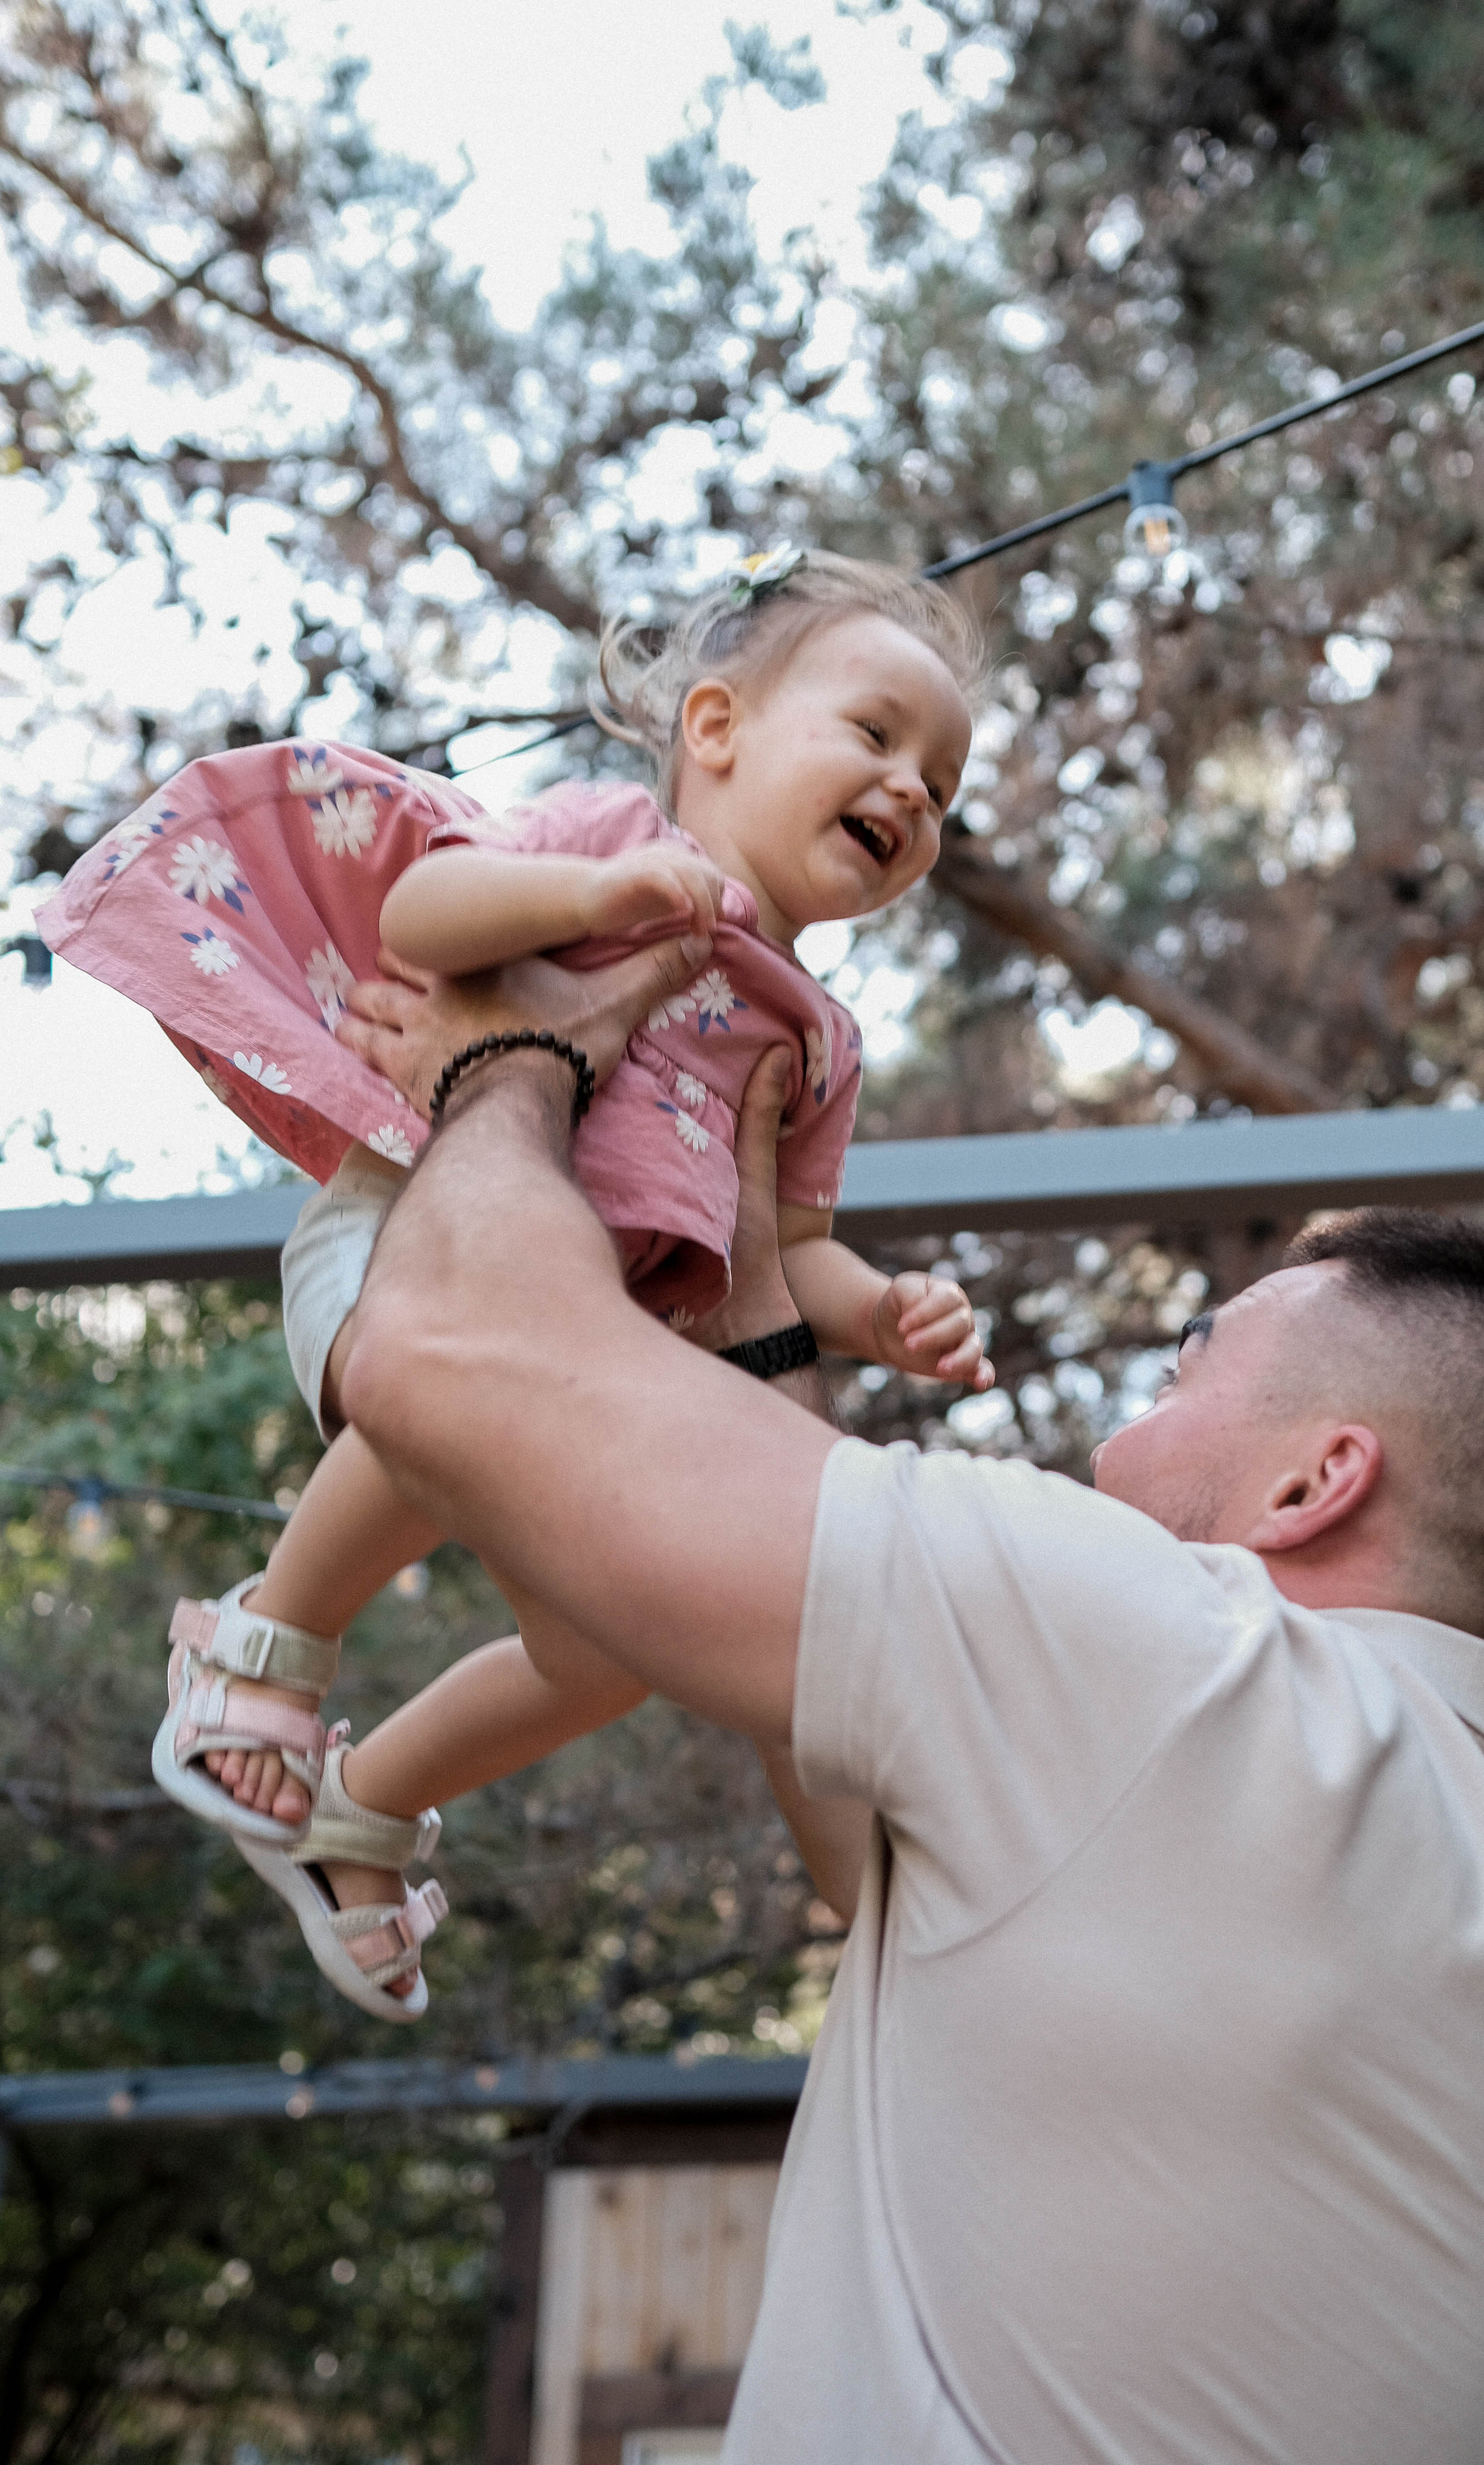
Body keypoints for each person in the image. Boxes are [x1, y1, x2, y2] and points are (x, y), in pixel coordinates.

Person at [327, 935, 1484, 2465]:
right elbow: (864, 1855)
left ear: (1312, 1482)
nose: (1107, 1453)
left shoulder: (1194, 1672)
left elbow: (441, 1354)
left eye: (1178, 1381)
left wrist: (513, 1061)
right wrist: (755, 1291)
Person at [35, 548, 992, 2018]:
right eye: (876, 736)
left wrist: (879, 1311)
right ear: (716, 729)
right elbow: (421, 922)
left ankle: (363, 1805)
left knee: (610, 1649)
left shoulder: (818, 1039)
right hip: (411, 1262)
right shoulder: (605, 842)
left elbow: (785, 1249)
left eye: (941, 779)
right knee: (466, 1400)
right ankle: (261, 1642)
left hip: (589, 1378)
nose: (914, 790)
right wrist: (594, 887)